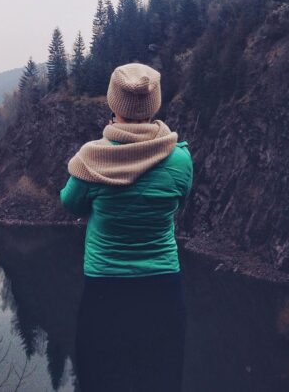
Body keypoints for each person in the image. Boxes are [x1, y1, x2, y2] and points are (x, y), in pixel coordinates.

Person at [60, 63, 192, 392]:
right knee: (161, 380)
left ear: (113, 104)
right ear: (154, 105)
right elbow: (180, 199)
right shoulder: (179, 159)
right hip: (163, 291)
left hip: (105, 292)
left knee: (100, 381)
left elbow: (71, 203)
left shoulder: (92, 160)